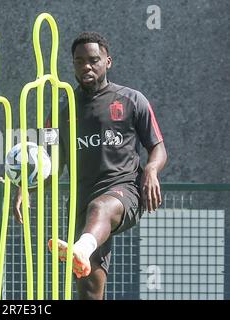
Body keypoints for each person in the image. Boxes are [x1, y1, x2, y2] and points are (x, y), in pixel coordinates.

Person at [14, 32, 167, 299]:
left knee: (101, 207)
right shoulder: (63, 109)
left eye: (94, 60)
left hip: (125, 192)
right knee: (88, 290)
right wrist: (27, 187)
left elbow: (157, 147)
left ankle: (81, 248)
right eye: (79, 61)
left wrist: (152, 170)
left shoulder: (132, 100)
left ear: (108, 61)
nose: (87, 66)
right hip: (82, 204)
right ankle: (83, 249)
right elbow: (50, 165)